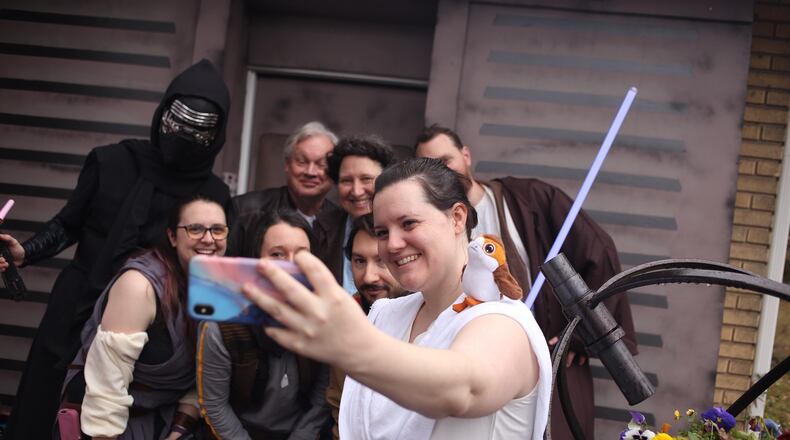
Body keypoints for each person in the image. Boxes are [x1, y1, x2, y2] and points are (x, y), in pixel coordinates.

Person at [0, 59, 232, 439]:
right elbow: (68, 223)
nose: (186, 134)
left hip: (156, 326)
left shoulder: (214, 194)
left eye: (200, 129)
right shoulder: (111, 161)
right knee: (47, 406)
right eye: (180, 122)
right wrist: (26, 252)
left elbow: (213, 266)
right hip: (77, 306)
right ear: (163, 116)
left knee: (125, 414)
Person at [243, 158, 553, 439]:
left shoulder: (501, 321)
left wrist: (351, 348)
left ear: (458, 218)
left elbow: (461, 390)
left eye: (409, 224)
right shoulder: (386, 315)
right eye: (381, 232)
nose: (392, 244)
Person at [414, 124, 637, 438]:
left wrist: (583, 330)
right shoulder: (428, 224)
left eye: (446, 160)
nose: (441, 171)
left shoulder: (529, 199)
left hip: (543, 358)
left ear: (466, 155)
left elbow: (598, 252)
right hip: (472, 364)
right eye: (430, 166)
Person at [60, 196, 229, 439]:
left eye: (218, 230)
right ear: (172, 237)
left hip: (167, 423)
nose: (209, 239)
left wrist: (179, 429)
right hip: (109, 427)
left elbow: (203, 375)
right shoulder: (140, 286)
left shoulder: (217, 287)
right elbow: (107, 389)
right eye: (195, 229)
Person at [197, 209, 330, 440]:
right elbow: (214, 405)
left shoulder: (322, 318)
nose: (290, 266)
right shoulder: (224, 325)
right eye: (277, 254)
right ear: (255, 262)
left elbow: (322, 398)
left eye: (302, 255)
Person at [325, 214, 408, 439]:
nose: (369, 276)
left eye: (381, 260)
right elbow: (338, 401)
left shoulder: (432, 316)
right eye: (359, 261)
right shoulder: (344, 318)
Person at [316, 135, 395, 291]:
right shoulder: (319, 231)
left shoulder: (407, 230)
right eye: (346, 181)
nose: (357, 191)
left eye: (366, 179)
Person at [231, 121, 338, 224]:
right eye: (301, 162)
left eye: (322, 164)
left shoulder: (340, 223)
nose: (310, 172)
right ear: (287, 164)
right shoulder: (245, 210)